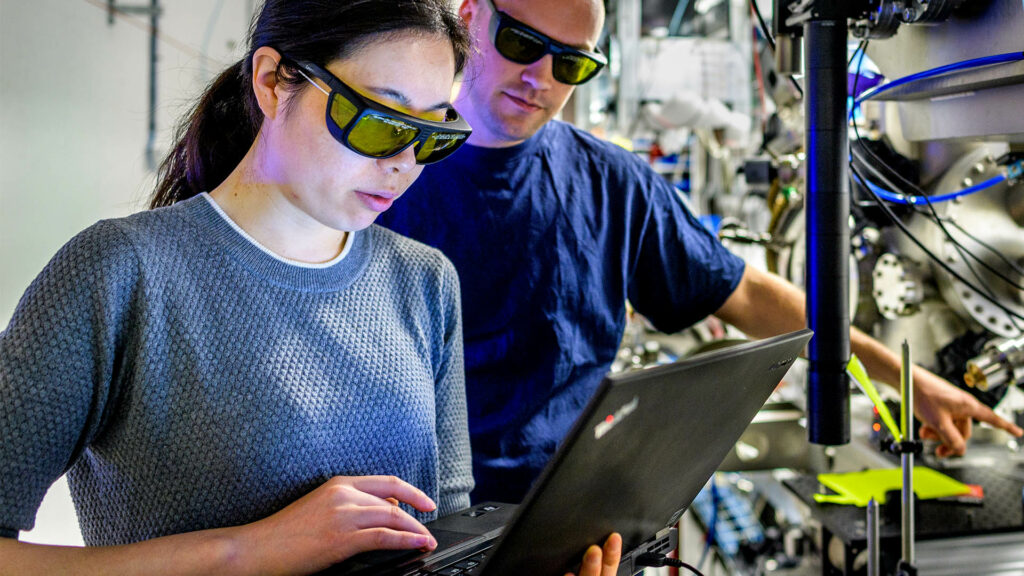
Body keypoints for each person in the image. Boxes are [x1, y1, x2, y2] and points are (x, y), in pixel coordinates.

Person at [0, 1, 620, 574]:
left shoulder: (423, 282)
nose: (404, 163)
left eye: (431, 135)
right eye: (380, 122)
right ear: (272, 81)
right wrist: (249, 549)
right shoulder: (120, 274)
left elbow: (444, 538)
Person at [377, 0, 1024, 504]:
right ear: (468, 18)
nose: (541, 78)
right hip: (420, 523)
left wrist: (908, 382)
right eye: (523, 43)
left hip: (567, 521)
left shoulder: (610, 182)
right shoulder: (378, 172)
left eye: (572, 64)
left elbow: (745, 295)